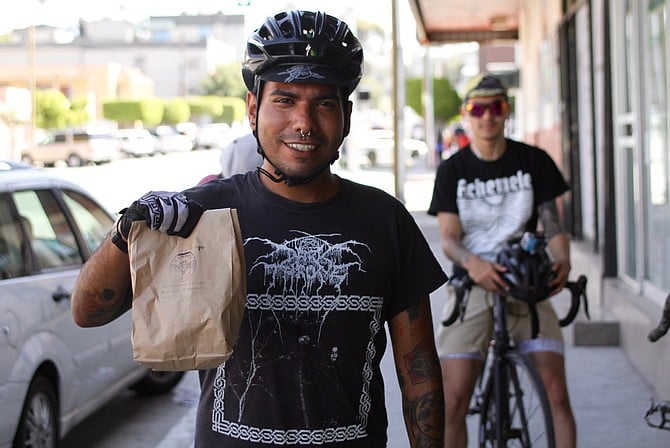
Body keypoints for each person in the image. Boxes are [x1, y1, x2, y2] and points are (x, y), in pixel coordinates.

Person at [72, 9, 448, 448]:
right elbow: (87, 312)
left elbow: (419, 370)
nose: (303, 122)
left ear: (345, 114)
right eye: (284, 100)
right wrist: (127, 231)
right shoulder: (200, 214)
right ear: (253, 108)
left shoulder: (386, 220)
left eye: (323, 102)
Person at [428, 73, 576, 448]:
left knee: (556, 392)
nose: (487, 116)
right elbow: (448, 239)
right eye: (478, 108)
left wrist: (563, 259)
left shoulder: (533, 161)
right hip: (475, 285)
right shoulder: (453, 170)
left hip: (526, 281)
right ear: (467, 114)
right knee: (453, 401)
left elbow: (553, 224)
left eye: (495, 107)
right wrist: (473, 263)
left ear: (506, 111)